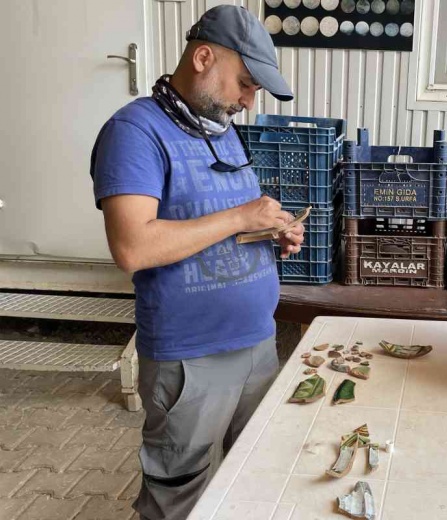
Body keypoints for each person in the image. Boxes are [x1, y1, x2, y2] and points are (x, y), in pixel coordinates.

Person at [89, 5, 303, 520]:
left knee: (255, 479)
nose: (249, 101)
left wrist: (270, 232)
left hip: (255, 344)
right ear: (203, 57)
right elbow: (133, 247)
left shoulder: (220, 127)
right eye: (246, 84)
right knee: (180, 500)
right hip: (191, 360)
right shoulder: (134, 131)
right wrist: (238, 217)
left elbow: (217, 227)